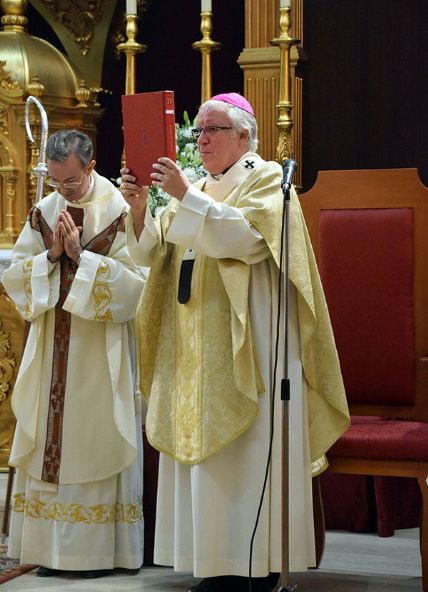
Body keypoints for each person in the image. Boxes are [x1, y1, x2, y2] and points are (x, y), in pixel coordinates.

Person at [120, 93, 350, 592]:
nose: (200, 139)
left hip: (250, 344)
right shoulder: (198, 185)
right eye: (197, 131)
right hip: (193, 344)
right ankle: (213, 564)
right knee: (204, 458)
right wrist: (140, 210)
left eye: (212, 130)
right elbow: (149, 251)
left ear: (243, 136)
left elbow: (246, 241)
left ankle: (258, 564)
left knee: (245, 452)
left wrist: (184, 196)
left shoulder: (267, 178)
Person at [1, 129, 146, 578]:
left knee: (94, 435)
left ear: (90, 167)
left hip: (97, 350)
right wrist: (50, 256)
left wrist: (83, 258)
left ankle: (96, 553)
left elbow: (136, 283)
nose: (61, 192)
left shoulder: (119, 210)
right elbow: (16, 276)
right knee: (47, 433)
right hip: (51, 351)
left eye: (70, 183)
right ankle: (47, 550)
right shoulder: (45, 210)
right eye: (56, 183)